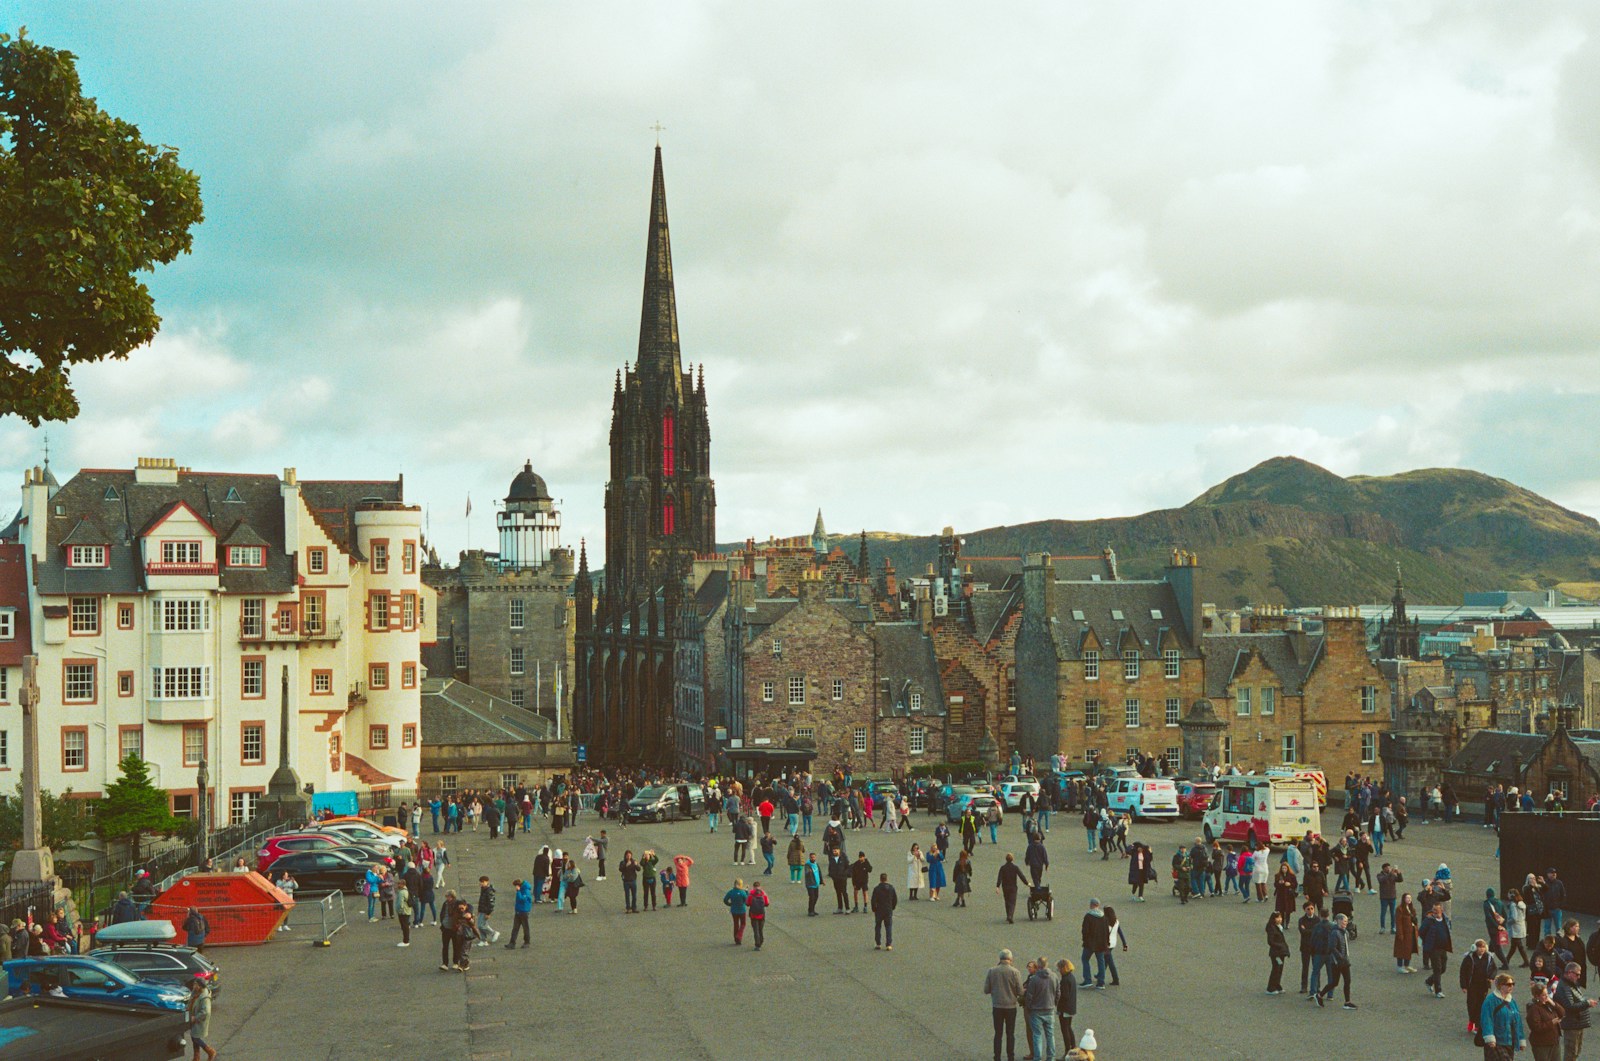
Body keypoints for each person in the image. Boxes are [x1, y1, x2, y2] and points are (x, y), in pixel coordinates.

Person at [985, 948, 1025, 1061]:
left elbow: (986, 989)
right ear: (1010, 959)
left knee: (998, 1033)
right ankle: (1010, 1056)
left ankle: (997, 1057)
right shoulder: (1015, 972)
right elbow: (1020, 992)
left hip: (997, 1006)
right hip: (1010, 1007)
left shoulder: (992, 971)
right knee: (1010, 1033)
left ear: (1000, 958)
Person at [1555, 960, 1596, 1060]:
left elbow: (1577, 1000)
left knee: (1576, 1052)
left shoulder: (1571, 984)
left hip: (1577, 1023)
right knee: (1571, 1054)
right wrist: (1587, 1003)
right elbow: (1570, 1006)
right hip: (1571, 1025)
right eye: (1577, 974)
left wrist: (1586, 1003)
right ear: (1569, 973)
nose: (1579, 977)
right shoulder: (1564, 987)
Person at [1481, 972, 1528, 1059]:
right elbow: (1486, 1019)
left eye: (1513, 984)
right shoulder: (1490, 1000)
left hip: (1510, 1042)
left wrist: (1520, 1039)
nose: (1512, 986)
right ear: (1500, 985)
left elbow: (1518, 1022)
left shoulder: (1512, 1001)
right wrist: (1490, 1038)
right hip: (1496, 1042)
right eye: (1509, 984)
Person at [1316, 913, 1355, 1008]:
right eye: (1343, 921)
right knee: (1334, 982)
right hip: (1336, 962)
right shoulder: (1334, 933)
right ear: (1338, 921)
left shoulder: (1344, 932)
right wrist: (1340, 957)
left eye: (1346, 921)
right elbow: (1332, 947)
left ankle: (1347, 1002)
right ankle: (1320, 995)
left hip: (1344, 961)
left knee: (1347, 981)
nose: (1345, 923)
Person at [1024, 956, 1059, 1061]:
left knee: (1037, 1035)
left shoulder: (1034, 979)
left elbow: (1029, 996)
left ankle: (1037, 1057)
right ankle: (1051, 1057)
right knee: (1050, 1035)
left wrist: (1029, 1007)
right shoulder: (1054, 976)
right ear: (1047, 964)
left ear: (1038, 965)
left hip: (1037, 1011)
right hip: (1050, 1009)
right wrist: (1054, 1004)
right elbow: (1058, 992)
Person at [1463, 938, 1499, 1037]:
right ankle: (1472, 1020)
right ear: (1475, 948)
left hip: (1483, 985)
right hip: (1472, 985)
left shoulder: (1489, 957)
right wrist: (1464, 986)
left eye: (1483, 947)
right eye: (1479, 947)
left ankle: (1478, 1025)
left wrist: (1491, 977)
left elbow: (1494, 969)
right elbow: (1463, 972)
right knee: (1472, 1004)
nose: (1481, 949)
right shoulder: (1469, 957)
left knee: (1481, 1005)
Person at [1422, 903, 1455, 999]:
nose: (1434, 912)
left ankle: (1429, 981)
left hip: (1443, 948)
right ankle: (1438, 990)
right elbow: (1421, 931)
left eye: (1436, 910)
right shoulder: (1429, 921)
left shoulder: (1445, 919)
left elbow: (1449, 929)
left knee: (1443, 968)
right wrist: (1427, 942)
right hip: (1433, 949)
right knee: (1437, 969)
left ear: (1442, 910)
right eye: (1433, 910)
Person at [1528, 979, 1566, 1061]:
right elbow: (1536, 1027)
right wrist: (1552, 1022)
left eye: (1547, 994)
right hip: (1542, 1044)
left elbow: (1562, 1013)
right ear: (1537, 996)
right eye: (1544, 995)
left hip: (1554, 1041)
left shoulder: (1548, 1004)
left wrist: (1553, 1003)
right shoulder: (1534, 1008)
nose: (1547, 996)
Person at [1080, 898, 1110, 990]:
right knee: (1101, 961)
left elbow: (1085, 931)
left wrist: (1085, 941)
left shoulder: (1088, 916)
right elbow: (1106, 931)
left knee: (1085, 959)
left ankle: (1087, 980)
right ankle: (1101, 982)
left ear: (1092, 905)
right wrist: (1107, 942)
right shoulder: (1104, 917)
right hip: (1101, 943)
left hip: (1090, 943)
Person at [187, 978, 216, 1061]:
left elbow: (206, 1012)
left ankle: (210, 1051)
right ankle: (196, 1057)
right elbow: (191, 1001)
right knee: (194, 1037)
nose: (193, 986)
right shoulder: (195, 992)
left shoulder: (204, 998)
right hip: (193, 1018)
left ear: (199, 986)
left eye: (195, 984)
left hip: (199, 1021)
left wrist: (195, 1018)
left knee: (195, 1038)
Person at [1055, 958, 1079, 1050]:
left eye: (1059, 969)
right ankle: (1073, 1047)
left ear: (1063, 968)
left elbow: (1064, 996)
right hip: (1071, 1008)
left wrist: (1057, 1003)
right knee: (1069, 1027)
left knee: (1065, 1030)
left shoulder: (1065, 980)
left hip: (1065, 1008)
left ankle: (1067, 1050)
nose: (1059, 971)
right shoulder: (1071, 977)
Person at [996, 852, 1026, 924]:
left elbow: (999, 878)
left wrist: (997, 886)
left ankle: (1008, 915)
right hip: (1013, 887)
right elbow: (1021, 876)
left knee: (1007, 901)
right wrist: (1026, 883)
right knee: (1012, 902)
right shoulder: (1015, 867)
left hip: (1005, 887)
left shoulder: (1003, 868)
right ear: (1012, 859)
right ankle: (1010, 916)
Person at [871, 872, 898, 950]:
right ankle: (888, 944)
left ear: (880, 879)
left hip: (879, 910)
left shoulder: (877, 889)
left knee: (878, 926)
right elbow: (895, 899)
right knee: (888, 926)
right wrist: (892, 907)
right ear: (886, 879)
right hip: (888, 910)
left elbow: (873, 900)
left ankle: (878, 943)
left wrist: (874, 909)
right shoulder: (891, 888)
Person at [1266, 910, 1291, 994]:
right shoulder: (1272, 928)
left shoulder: (1279, 927)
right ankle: (1270, 988)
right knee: (1276, 969)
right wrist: (1280, 946)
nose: (1279, 919)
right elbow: (1270, 941)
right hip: (1276, 953)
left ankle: (1277, 985)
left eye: (1280, 917)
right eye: (1277, 917)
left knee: (1279, 969)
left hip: (1281, 952)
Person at [505, 878, 532, 947]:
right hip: (518, 911)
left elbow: (522, 899)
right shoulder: (524, 889)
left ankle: (527, 942)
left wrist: (518, 891)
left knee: (525, 927)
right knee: (515, 928)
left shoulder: (526, 891)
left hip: (524, 911)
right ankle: (512, 942)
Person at [723, 878, 750, 945]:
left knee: (736, 924)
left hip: (734, 910)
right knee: (743, 924)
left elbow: (725, 900)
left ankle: (736, 939)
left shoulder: (731, 892)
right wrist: (746, 891)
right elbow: (746, 900)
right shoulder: (742, 892)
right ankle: (739, 935)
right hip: (742, 910)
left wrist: (730, 904)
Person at [747, 880, 770, 950]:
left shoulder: (751, 894)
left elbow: (747, 903)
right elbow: (767, 904)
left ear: (753, 887)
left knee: (755, 930)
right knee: (760, 929)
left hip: (753, 914)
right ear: (760, 887)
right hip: (761, 914)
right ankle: (761, 940)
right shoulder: (763, 894)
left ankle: (757, 945)